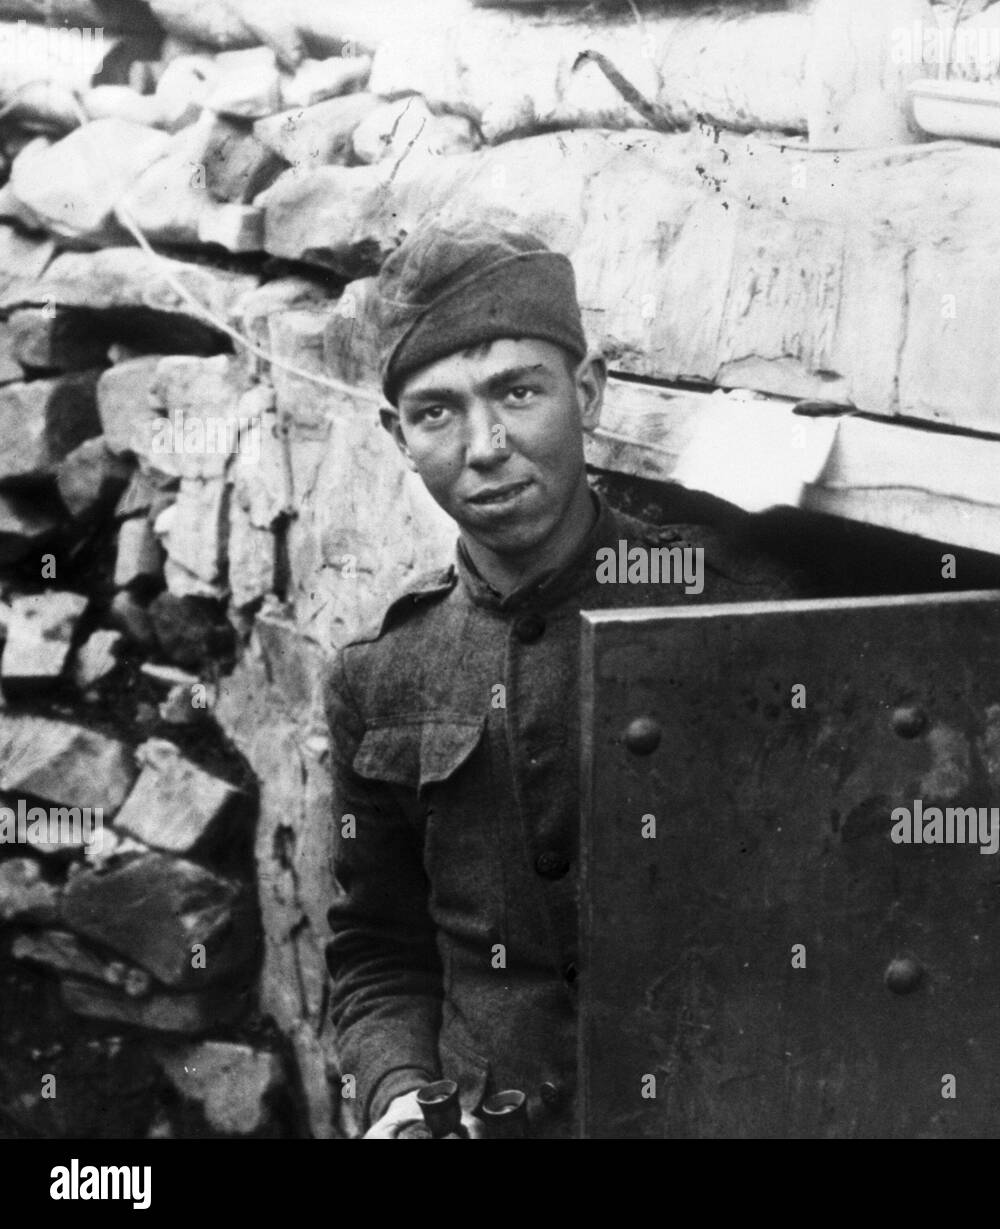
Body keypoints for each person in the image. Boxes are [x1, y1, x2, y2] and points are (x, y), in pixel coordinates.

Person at [324, 218, 794, 1139]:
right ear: (397, 434)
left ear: (587, 391)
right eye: (437, 411)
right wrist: (397, 1100)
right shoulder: (379, 675)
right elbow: (378, 952)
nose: (486, 444)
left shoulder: (733, 612)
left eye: (518, 391)